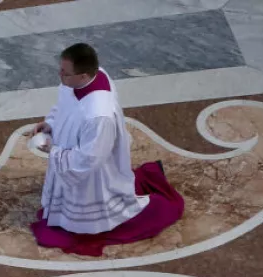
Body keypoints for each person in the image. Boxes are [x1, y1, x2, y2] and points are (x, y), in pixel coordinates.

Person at [28, 43, 184, 257]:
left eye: (65, 72)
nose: (60, 75)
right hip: (69, 151)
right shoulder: (75, 81)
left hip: (91, 176)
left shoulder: (99, 114)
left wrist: (53, 151)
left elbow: (90, 159)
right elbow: (64, 106)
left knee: (86, 219)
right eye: (61, 69)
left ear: (84, 76)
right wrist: (51, 124)